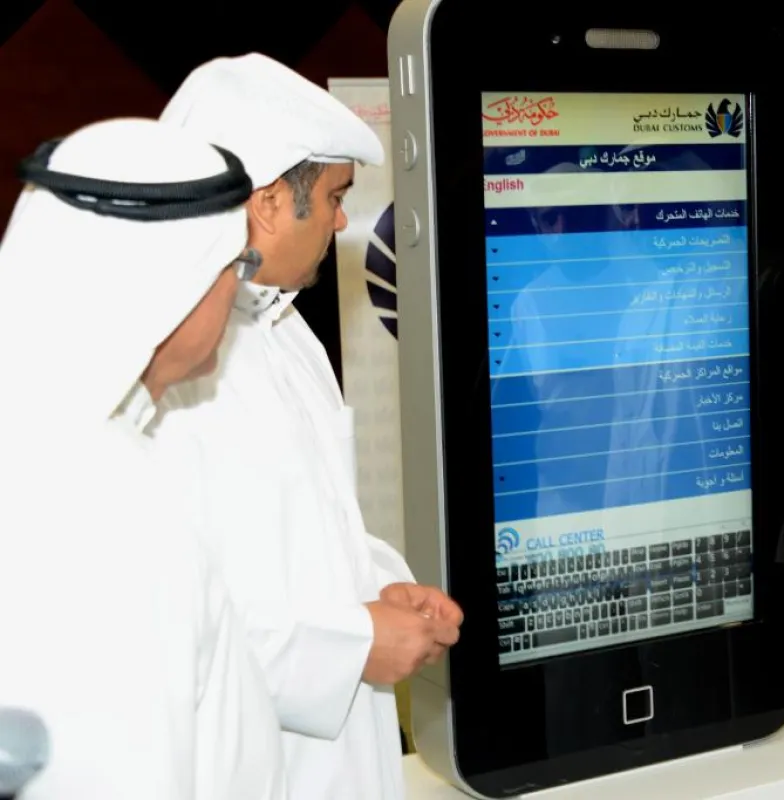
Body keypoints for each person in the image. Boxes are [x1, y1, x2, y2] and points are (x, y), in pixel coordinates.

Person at [148, 53, 463, 800]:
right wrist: (354, 647)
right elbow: (172, 621)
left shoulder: (288, 332)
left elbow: (320, 525)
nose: (342, 220)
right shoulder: (166, 364)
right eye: (332, 197)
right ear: (266, 202)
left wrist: (386, 588)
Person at [0, 118, 286, 798]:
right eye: (236, 266)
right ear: (174, 283)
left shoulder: (55, 434)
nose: (237, 291)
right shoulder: (99, 500)